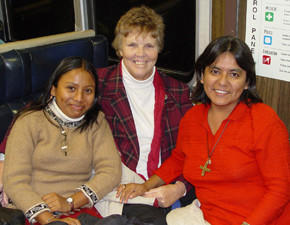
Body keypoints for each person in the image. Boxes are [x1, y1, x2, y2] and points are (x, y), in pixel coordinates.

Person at [119, 36, 290, 225]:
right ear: (202, 75)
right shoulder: (192, 118)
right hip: (209, 217)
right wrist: (144, 186)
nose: (222, 82)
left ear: (247, 82)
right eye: (215, 71)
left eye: (234, 74)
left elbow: (280, 190)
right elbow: (179, 159)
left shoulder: (264, 121)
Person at [96, 5, 194, 224]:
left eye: (149, 45)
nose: (140, 54)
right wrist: (3, 159)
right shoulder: (98, 83)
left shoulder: (178, 91)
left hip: (163, 185)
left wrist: (180, 188)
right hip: (119, 186)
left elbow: (193, 148)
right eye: (132, 44)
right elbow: (44, 109)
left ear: (158, 49)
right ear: (119, 49)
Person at [2, 56, 122, 225]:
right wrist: (49, 219)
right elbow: (14, 180)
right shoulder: (29, 121)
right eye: (71, 88)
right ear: (53, 89)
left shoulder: (96, 121)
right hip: (35, 213)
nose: (79, 98)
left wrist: (71, 202)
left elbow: (111, 170)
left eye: (88, 91)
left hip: (80, 210)